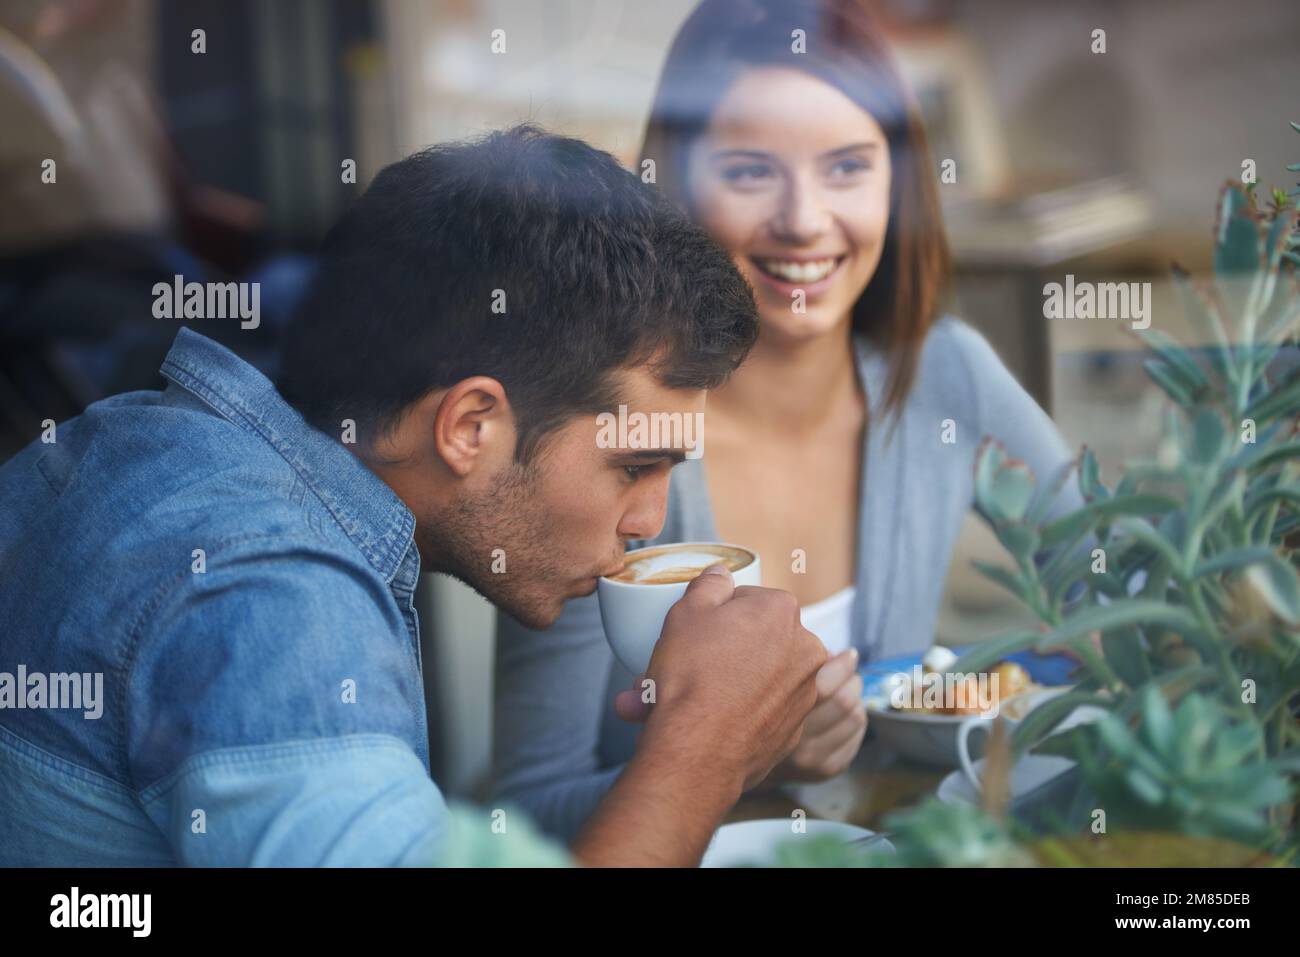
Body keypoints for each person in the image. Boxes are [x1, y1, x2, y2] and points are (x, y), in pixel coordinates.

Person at [0, 125, 828, 867]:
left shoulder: (162, 450)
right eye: (633, 466)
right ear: (470, 424)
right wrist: (704, 745)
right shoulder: (271, 593)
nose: (649, 523)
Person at [492, 0, 1086, 841]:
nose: (804, 219)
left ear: (899, 183)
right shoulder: (600, 421)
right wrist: (731, 753)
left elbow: (1130, 586)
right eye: (749, 170)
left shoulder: (948, 375)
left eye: (847, 168)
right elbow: (516, 813)